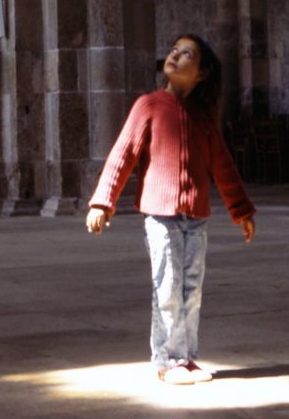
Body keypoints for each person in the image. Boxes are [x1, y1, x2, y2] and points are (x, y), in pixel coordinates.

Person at [86, 34, 255, 386]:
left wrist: (241, 210)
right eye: (175, 49)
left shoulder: (204, 117)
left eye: (187, 53)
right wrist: (103, 202)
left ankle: (186, 356)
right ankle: (166, 359)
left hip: (197, 215)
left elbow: (222, 165)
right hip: (160, 216)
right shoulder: (148, 105)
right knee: (168, 285)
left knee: (192, 288)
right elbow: (122, 156)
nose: (175, 55)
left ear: (202, 72)